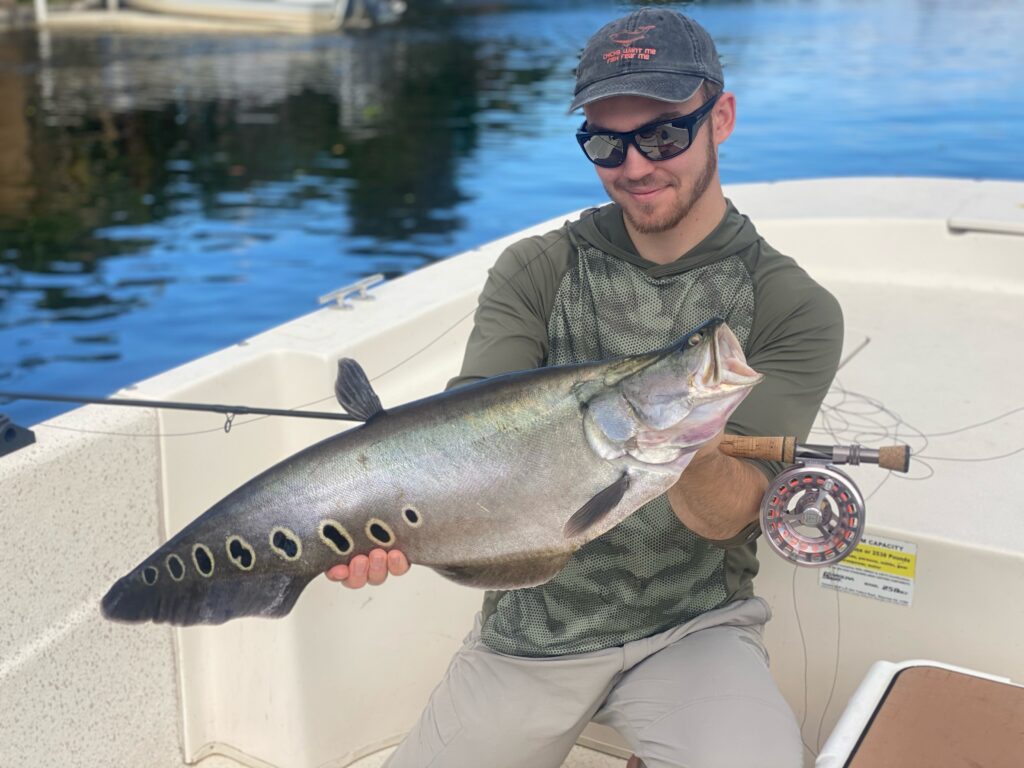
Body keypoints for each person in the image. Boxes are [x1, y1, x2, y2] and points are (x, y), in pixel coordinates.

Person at [326, 8, 842, 768]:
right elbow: (468, 447)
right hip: (532, 624)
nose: (635, 165)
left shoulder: (793, 307)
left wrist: (678, 439)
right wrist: (386, 525)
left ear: (720, 117)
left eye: (663, 134)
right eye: (605, 140)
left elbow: (732, 517)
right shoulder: (535, 270)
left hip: (694, 625)